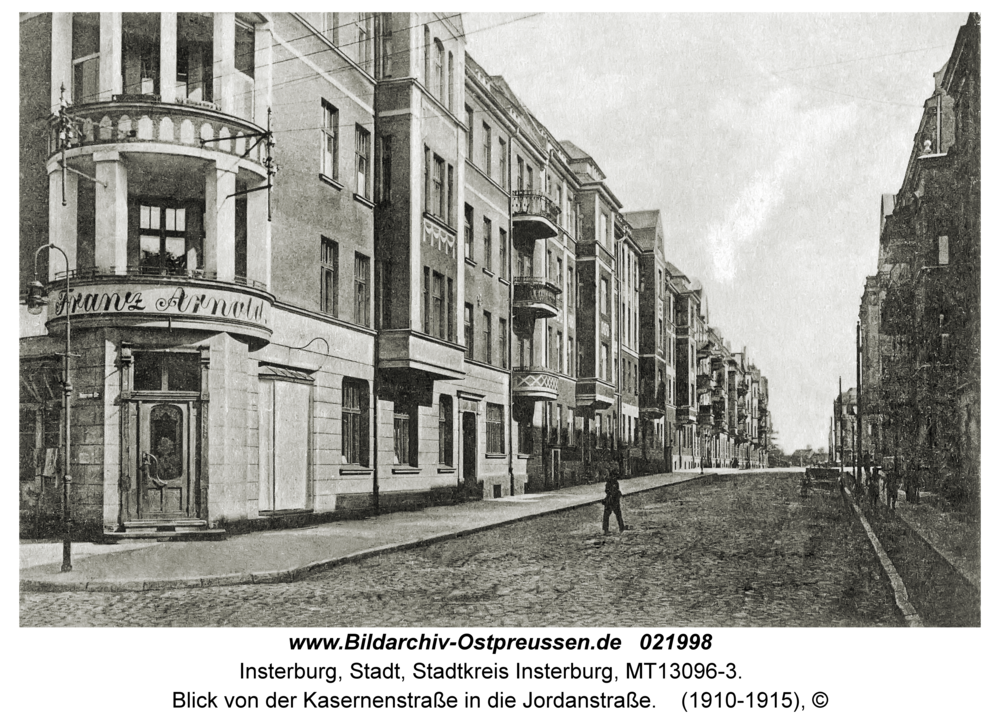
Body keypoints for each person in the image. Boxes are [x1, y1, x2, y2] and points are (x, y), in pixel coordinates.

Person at [603, 467, 627, 535]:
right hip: (611, 500)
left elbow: (609, 490)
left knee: (612, 515)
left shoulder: (613, 482)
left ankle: (620, 527)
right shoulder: (611, 482)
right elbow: (608, 490)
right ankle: (619, 528)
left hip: (613, 500)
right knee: (611, 515)